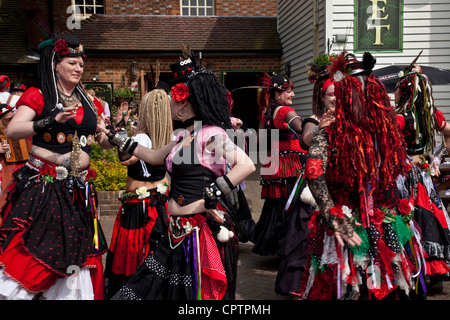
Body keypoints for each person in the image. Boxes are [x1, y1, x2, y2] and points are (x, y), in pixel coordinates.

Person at [106, 49, 255, 300]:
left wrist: (213, 192)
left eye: (172, 101)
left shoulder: (210, 134)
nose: (169, 106)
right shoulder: (182, 135)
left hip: (199, 232)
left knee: (192, 296)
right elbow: (153, 157)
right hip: (175, 230)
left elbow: (246, 165)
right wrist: (118, 138)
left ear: (184, 103)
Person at [298, 51, 425, 300]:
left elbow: (403, 169)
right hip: (350, 228)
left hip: (382, 225)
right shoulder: (332, 132)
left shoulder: (387, 131)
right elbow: (313, 172)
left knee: (385, 286)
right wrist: (334, 217)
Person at [0, 34, 113, 300]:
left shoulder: (89, 102)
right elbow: (15, 129)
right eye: (72, 63)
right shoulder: (39, 95)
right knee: (37, 252)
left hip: (78, 191)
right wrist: (50, 120)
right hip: (45, 189)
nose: (78, 68)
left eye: (81, 64)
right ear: (55, 65)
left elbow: (101, 142)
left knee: (76, 258)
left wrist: (115, 139)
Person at [275, 54, 336, 297]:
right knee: (305, 239)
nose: (335, 97)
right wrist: (323, 126)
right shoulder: (314, 119)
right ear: (321, 97)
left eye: (337, 92)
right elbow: (306, 138)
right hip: (315, 187)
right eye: (330, 93)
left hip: (340, 188)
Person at [103, 89, 172, 299]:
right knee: (158, 252)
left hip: (140, 206)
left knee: (135, 255)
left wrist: (118, 132)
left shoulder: (142, 136)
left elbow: (127, 159)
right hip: (163, 201)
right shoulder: (172, 136)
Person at [394, 61, 450, 293]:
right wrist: (439, 154)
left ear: (405, 90)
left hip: (405, 176)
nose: (393, 92)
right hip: (424, 175)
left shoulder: (400, 118)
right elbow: (447, 131)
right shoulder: (430, 114)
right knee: (429, 215)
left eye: (396, 88)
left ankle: (416, 268)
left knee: (411, 217)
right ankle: (433, 270)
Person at [252, 73, 307, 256]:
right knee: (293, 204)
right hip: (289, 163)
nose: (292, 95)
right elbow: (301, 128)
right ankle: (288, 248)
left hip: (274, 160)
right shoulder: (284, 111)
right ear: (277, 94)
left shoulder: (265, 111)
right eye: (289, 91)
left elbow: (260, 139)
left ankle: (274, 245)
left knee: (277, 206)